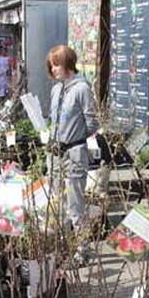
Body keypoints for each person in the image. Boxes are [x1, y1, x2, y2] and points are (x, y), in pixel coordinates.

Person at [46, 45, 99, 243]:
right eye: (51, 66)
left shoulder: (82, 89)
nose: (53, 69)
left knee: (75, 205)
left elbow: (92, 122)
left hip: (74, 154)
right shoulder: (56, 89)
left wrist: (75, 138)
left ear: (67, 64)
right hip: (55, 154)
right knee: (56, 203)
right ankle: (63, 245)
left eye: (56, 65)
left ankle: (82, 249)